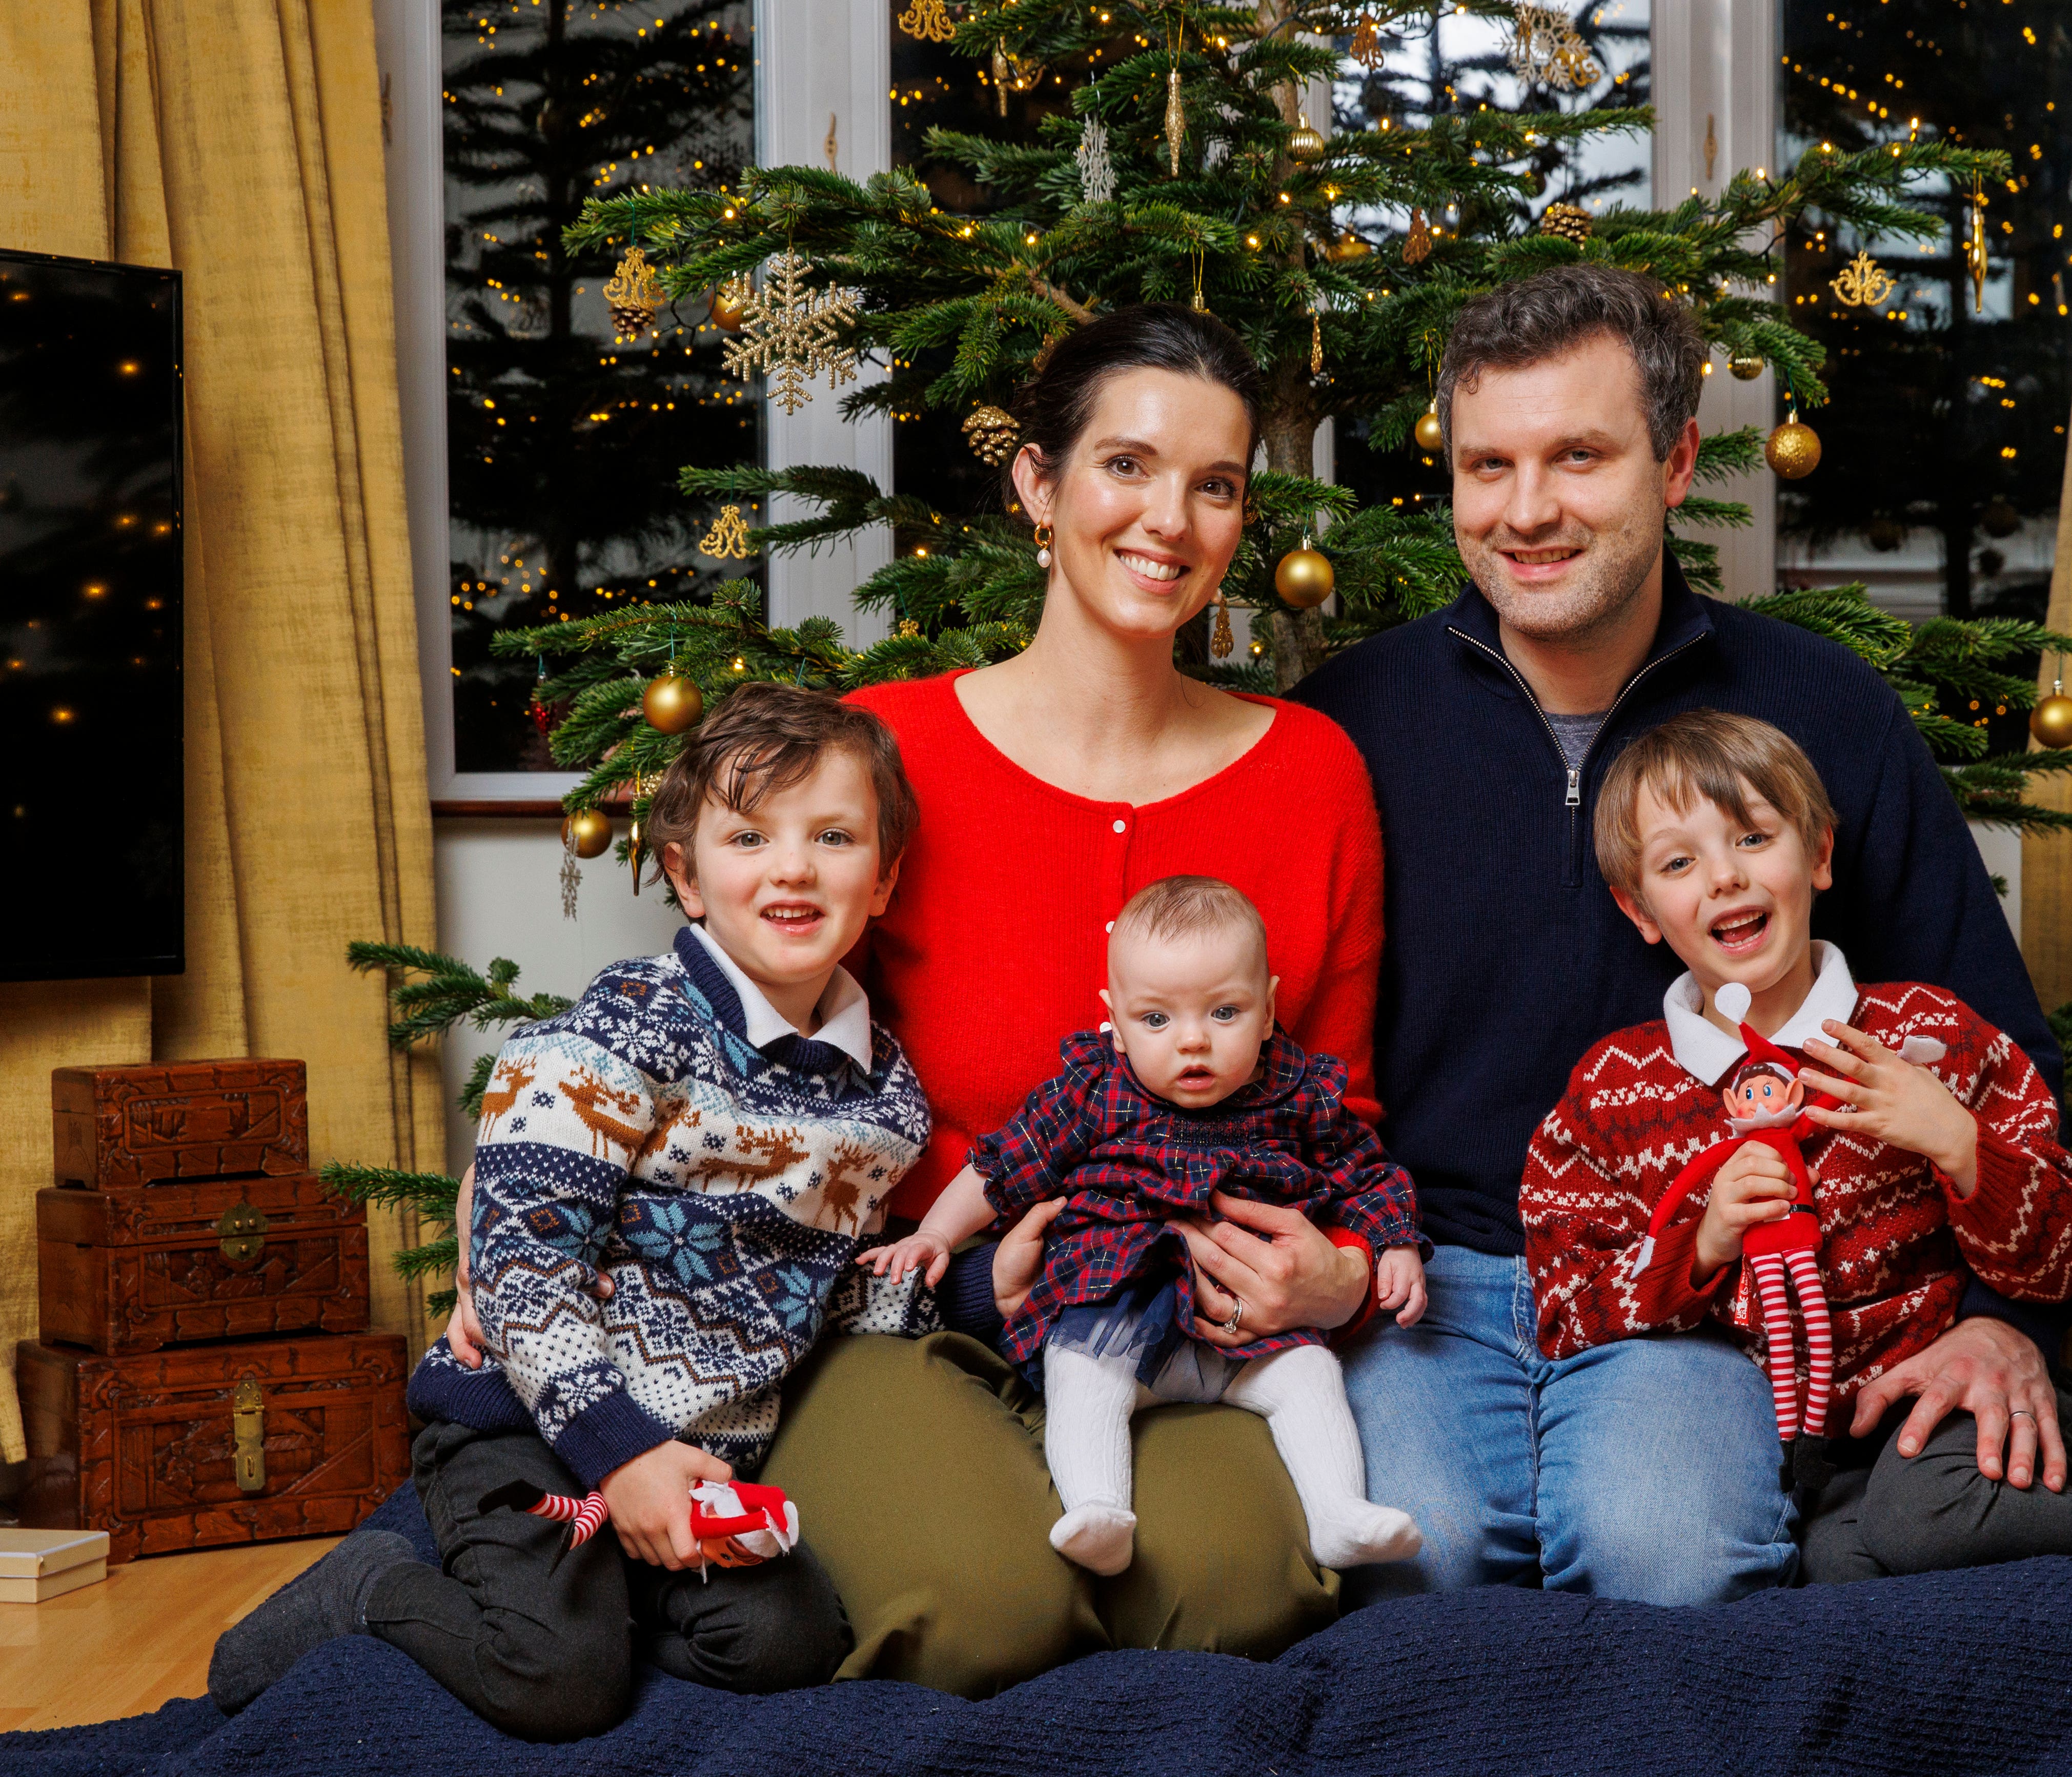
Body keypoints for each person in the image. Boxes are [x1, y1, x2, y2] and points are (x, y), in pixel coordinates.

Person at [1290, 263, 2072, 1606]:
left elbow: (1995, 1051)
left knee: (1670, 1558)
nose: (1527, 510)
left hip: (1703, 1280)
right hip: (1429, 1280)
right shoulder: (1350, 724)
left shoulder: (1818, 709)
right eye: (1490, 465)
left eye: (1578, 457)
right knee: (1413, 1552)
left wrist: (2006, 1323)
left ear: (1674, 462)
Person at [766, 302, 1391, 1694]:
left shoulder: (1313, 777)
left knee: (1233, 1592)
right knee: (989, 1613)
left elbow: (1340, 1112)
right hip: (906, 1320)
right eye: (1127, 465)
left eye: (1216, 484)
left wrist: (1339, 1274)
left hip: (1184, 1332)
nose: (1170, 517)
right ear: (1038, 486)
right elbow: (730, 1046)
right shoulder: (887, 750)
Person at [1520, 709, 2072, 1638]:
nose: (1725, 877)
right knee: (1840, 1574)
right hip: (1811, 1453)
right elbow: (1566, 1307)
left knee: (1926, 1518)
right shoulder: (1613, 1090)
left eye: (1755, 838)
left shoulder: (1935, 1035)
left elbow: (2071, 1247)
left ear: (1820, 855)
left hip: (1952, 1406)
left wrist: (1962, 1146)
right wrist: (1702, 1242)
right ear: (1639, 910)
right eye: (1679, 864)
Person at [210, 683, 931, 1738]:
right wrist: (621, 1455)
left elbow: (812, 1293)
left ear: (884, 879)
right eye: (748, 837)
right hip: (530, 1428)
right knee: (556, 1682)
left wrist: (952, 1285)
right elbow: (516, 1267)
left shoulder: (884, 1101)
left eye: (833, 836)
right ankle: (368, 1588)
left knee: (792, 1645)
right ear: (685, 874)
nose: (792, 867)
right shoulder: (626, 1028)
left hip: (698, 1454)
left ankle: (605, 1590)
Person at [874, 874, 1427, 1577]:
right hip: (1120, 1316)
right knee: (1077, 1370)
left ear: (1268, 1010)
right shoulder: (1094, 1093)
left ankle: (1339, 1515)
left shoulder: (1295, 1095)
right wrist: (937, 1236)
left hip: (1251, 1334)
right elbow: (1001, 1167)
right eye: (1157, 1020)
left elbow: (1366, 1171)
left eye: (1224, 1013)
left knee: (1313, 1376)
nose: (1192, 1043)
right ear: (1115, 1017)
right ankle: (1099, 1510)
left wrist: (1395, 1242)